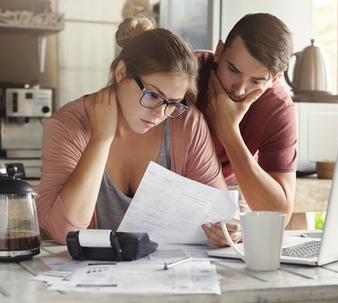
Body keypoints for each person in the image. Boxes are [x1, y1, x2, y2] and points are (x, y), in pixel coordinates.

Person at [36, 17, 228, 245]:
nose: (160, 113)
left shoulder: (186, 123)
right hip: (92, 277)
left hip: (166, 273)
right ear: (122, 72)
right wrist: (101, 139)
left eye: (173, 103)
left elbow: (219, 213)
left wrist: (229, 230)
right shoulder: (68, 125)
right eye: (153, 95)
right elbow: (63, 232)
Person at [198, 13, 297, 246]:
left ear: (274, 79)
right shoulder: (186, 72)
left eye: (256, 81)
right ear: (219, 51)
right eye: (233, 70)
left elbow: (279, 215)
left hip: (235, 184)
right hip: (171, 176)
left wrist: (229, 132)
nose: (240, 90)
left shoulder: (278, 108)